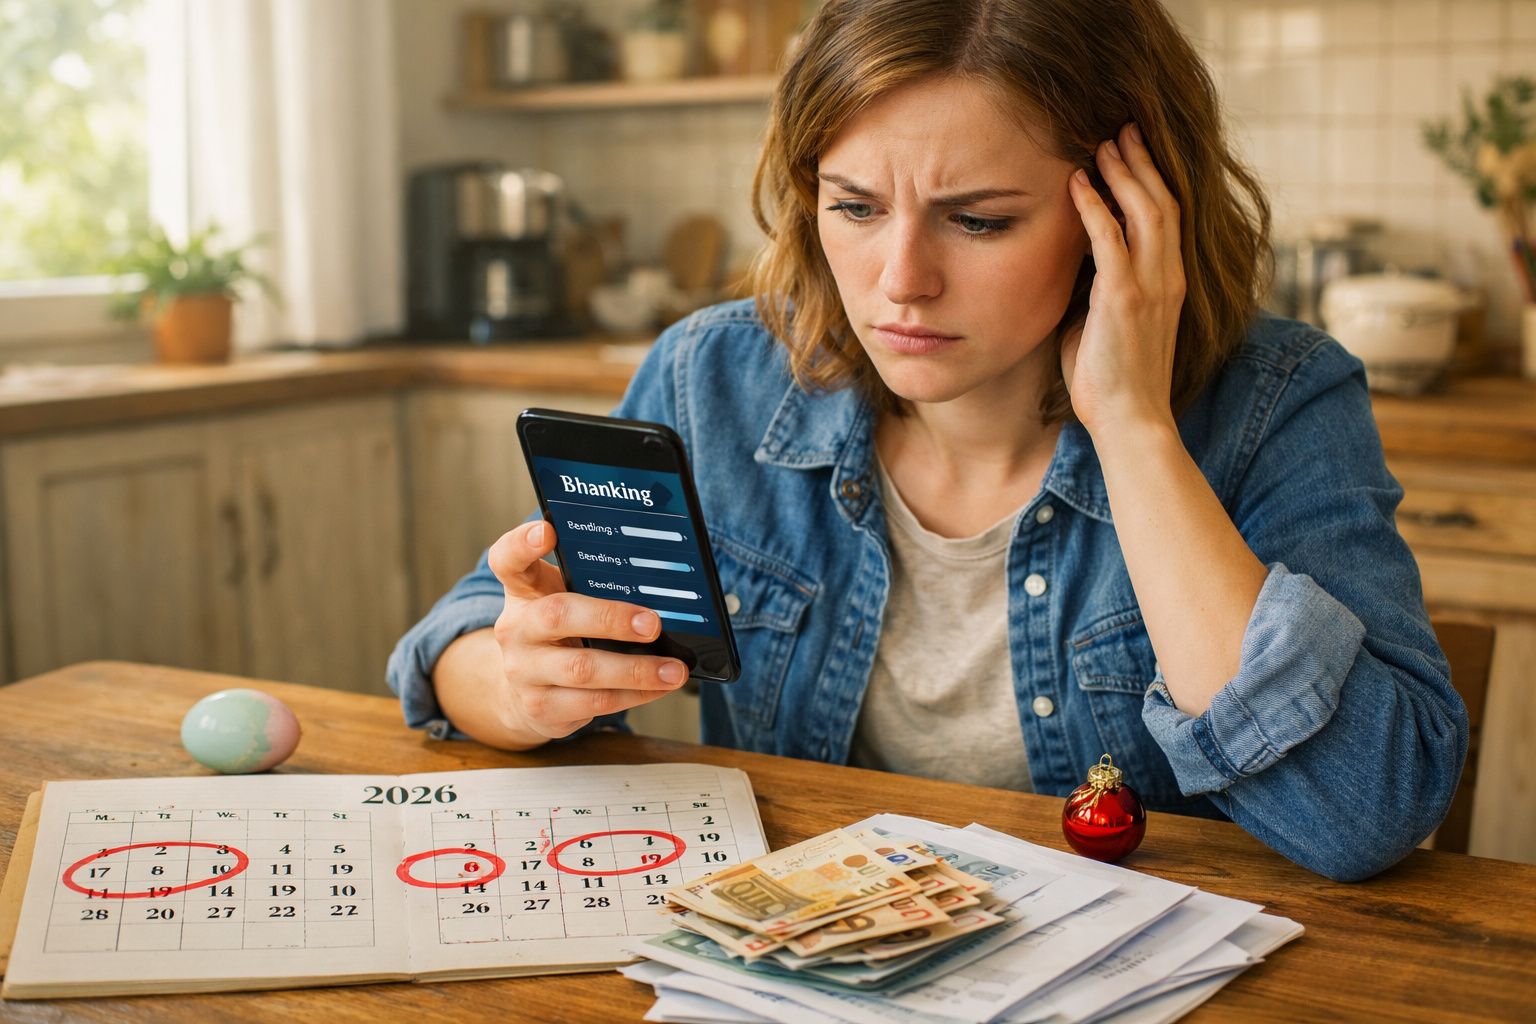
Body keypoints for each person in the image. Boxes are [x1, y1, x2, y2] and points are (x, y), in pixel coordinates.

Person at [388, 0, 1466, 882]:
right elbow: (466, 639)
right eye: (854, 207)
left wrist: (1133, 428)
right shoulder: (711, 377)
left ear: (1130, 218)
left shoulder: (1276, 402)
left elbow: (1364, 809)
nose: (901, 280)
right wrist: (516, 682)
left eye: (980, 220)